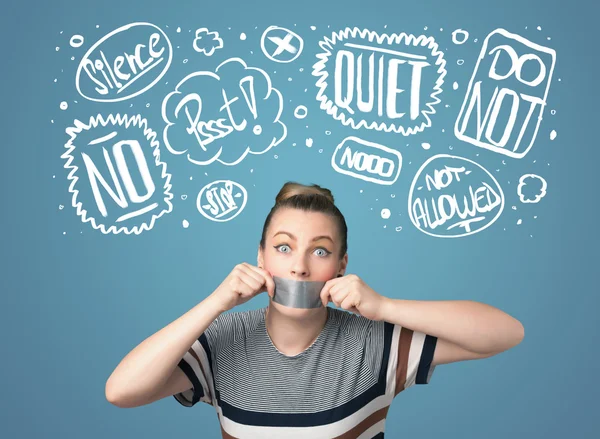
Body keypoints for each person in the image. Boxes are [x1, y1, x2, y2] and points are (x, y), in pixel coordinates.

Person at [105, 181, 524, 438]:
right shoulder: (223, 341)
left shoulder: (374, 341)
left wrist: (385, 306)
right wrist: (216, 303)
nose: (299, 265)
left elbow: (507, 333)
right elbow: (121, 392)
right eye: (283, 247)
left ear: (341, 266)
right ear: (261, 257)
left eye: (319, 251)